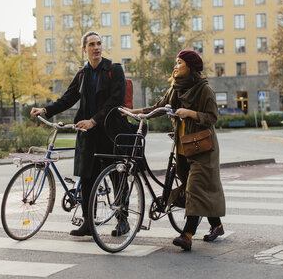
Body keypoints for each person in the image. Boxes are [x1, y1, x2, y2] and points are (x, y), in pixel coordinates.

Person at [123, 50, 225, 251]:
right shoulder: (175, 89)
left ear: (191, 68)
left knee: (194, 188)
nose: (175, 66)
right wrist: (133, 112)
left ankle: (187, 234)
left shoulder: (204, 90)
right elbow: (159, 107)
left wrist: (190, 113)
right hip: (184, 147)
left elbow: (212, 117)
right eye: (176, 62)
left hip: (203, 148)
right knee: (194, 188)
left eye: (180, 62)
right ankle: (217, 225)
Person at [30, 31, 129, 237]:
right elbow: (68, 98)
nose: (97, 47)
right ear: (84, 49)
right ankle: (88, 223)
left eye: (99, 43)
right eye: (92, 44)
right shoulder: (83, 74)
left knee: (116, 177)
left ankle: (123, 220)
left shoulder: (114, 70)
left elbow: (116, 100)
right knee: (87, 177)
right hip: (87, 134)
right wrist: (46, 110)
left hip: (110, 133)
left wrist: (94, 120)